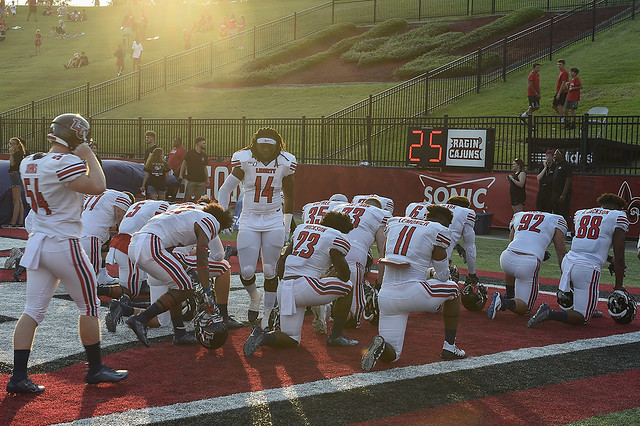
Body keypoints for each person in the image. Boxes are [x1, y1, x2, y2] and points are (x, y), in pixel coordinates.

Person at [6, 113, 128, 394]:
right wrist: (89, 155)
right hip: (64, 243)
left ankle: (19, 376)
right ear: (77, 136)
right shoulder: (68, 162)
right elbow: (99, 186)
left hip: (37, 244)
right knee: (90, 307)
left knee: (32, 311)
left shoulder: (30, 161)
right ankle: (95, 368)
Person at [360, 205, 465, 372]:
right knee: (453, 289)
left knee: (393, 355)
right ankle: (450, 346)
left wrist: (426, 270)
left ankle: (381, 348)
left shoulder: (395, 223)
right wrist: (434, 272)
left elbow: (389, 254)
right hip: (413, 292)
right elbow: (443, 276)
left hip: (386, 296)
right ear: (441, 221)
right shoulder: (437, 229)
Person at [216, 128, 296, 329]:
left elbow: (290, 196)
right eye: (262, 146)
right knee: (247, 270)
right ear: (255, 146)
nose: (266, 150)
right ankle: (254, 296)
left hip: (273, 218)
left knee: (270, 269)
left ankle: (268, 314)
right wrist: (223, 217)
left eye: (270, 146)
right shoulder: (245, 161)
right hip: (249, 218)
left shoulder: (285, 162)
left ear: (277, 146)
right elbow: (225, 190)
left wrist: (286, 226)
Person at [243, 211, 354, 356]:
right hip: (306, 286)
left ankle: (262, 337)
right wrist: (330, 273)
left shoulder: (302, 228)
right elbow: (344, 275)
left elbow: (283, 261)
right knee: (348, 286)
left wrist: (285, 287)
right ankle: (336, 335)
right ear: (341, 229)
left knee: (292, 339)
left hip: (285, 286)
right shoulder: (335, 236)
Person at [125, 202, 233, 347]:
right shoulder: (210, 220)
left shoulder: (186, 214)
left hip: (137, 244)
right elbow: (202, 258)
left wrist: (185, 269)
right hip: (151, 245)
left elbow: (171, 248)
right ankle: (141, 319)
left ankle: (179, 333)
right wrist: (207, 290)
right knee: (185, 287)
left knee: (178, 285)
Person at [528, 194, 629, 328]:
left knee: (581, 294)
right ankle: (550, 314)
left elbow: (587, 244)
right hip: (586, 267)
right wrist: (618, 286)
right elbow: (620, 257)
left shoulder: (582, 213)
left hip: (568, 263)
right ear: (618, 208)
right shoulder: (618, 216)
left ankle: (585, 305)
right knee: (583, 317)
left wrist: (609, 259)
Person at [330, 197, 390, 345]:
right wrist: (379, 285)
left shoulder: (341, 207)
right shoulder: (381, 214)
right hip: (353, 256)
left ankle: (324, 305)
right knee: (353, 320)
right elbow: (383, 252)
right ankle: (329, 311)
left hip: (328, 255)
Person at [487, 211, 567, 320]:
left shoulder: (519, 215)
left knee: (513, 256)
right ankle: (504, 302)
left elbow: (513, 242)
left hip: (506, 257)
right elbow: (561, 253)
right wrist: (566, 280)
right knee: (526, 308)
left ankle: (509, 295)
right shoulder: (557, 220)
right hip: (527, 263)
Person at [81, 189, 134, 286]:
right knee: (91, 278)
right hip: (91, 237)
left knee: (106, 237)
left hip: (78, 233)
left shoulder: (104, 194)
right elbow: (122, 224)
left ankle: (103, 274)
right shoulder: (123, 198)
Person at [4, 137, 26, 228]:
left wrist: (11, 154)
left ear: (17, 145)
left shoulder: (17, 154)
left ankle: (13, 222)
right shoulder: (20, 154)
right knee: (19, 200)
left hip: (15, 175)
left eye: (13, 144)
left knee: (16, 200)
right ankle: (20, 222)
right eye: (10, 143)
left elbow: (12, 164)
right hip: (16, 175)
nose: (11, 145)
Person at [179, 136, 209, 202]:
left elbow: (205, 167)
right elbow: (184, 164)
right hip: (191, 179)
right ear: (198, 143)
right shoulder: (190, 153)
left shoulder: (204, 155)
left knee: (198, 199)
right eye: (203, 143)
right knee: (187, 197)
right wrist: (180, 174)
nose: (205, 145)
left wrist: (207, 178)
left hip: (201, 180)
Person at [551, 149, 572, 234]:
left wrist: (564, 194)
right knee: (555, 214)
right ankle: (557, 232)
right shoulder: (556, 165)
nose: (554, 156)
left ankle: (569, 233)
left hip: (563, 194)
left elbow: (568, 180)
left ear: (561, 155)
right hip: (555, 193)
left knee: (565, 213)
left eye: (555, 154)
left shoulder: (566, 165)